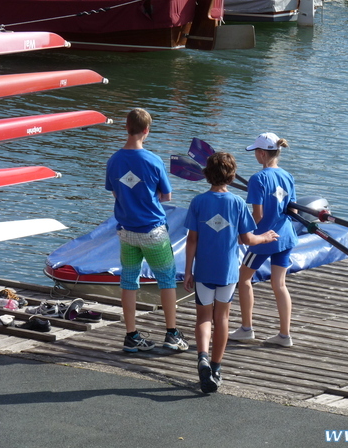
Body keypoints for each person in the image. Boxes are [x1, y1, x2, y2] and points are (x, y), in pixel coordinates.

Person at [184, 152, 278, 393]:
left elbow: (191, 240)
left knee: (203, 317)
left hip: (203, 270)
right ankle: (216, 367)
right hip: (227, 272)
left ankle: (202, 357)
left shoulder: (198, 202)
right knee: (222, 318)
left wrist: (187, 271)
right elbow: (247, 238)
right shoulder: (237, 202)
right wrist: (265, 237)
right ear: (232, 175)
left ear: (206, 175)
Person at [105, 108, 188, 353]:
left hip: (126, 232)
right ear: (146, 131)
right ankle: (172, 334)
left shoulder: (114, 160)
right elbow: (167, 195)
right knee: (166, 279)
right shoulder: (153, 160)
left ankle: (131, 335)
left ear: (126, 127)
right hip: (153, 231)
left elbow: (115, 191)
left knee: (129, 281)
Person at [229, 132, 298, 347]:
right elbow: (292, 208)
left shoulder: (258, 179)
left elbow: (257, 215)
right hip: (285, 236)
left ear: (261, 154)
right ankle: (285, 335)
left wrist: (248, 235)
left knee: (244, 277)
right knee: (279, 284)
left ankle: (246, 329)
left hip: (264, 238)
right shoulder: (288, 176)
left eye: (255, 153)